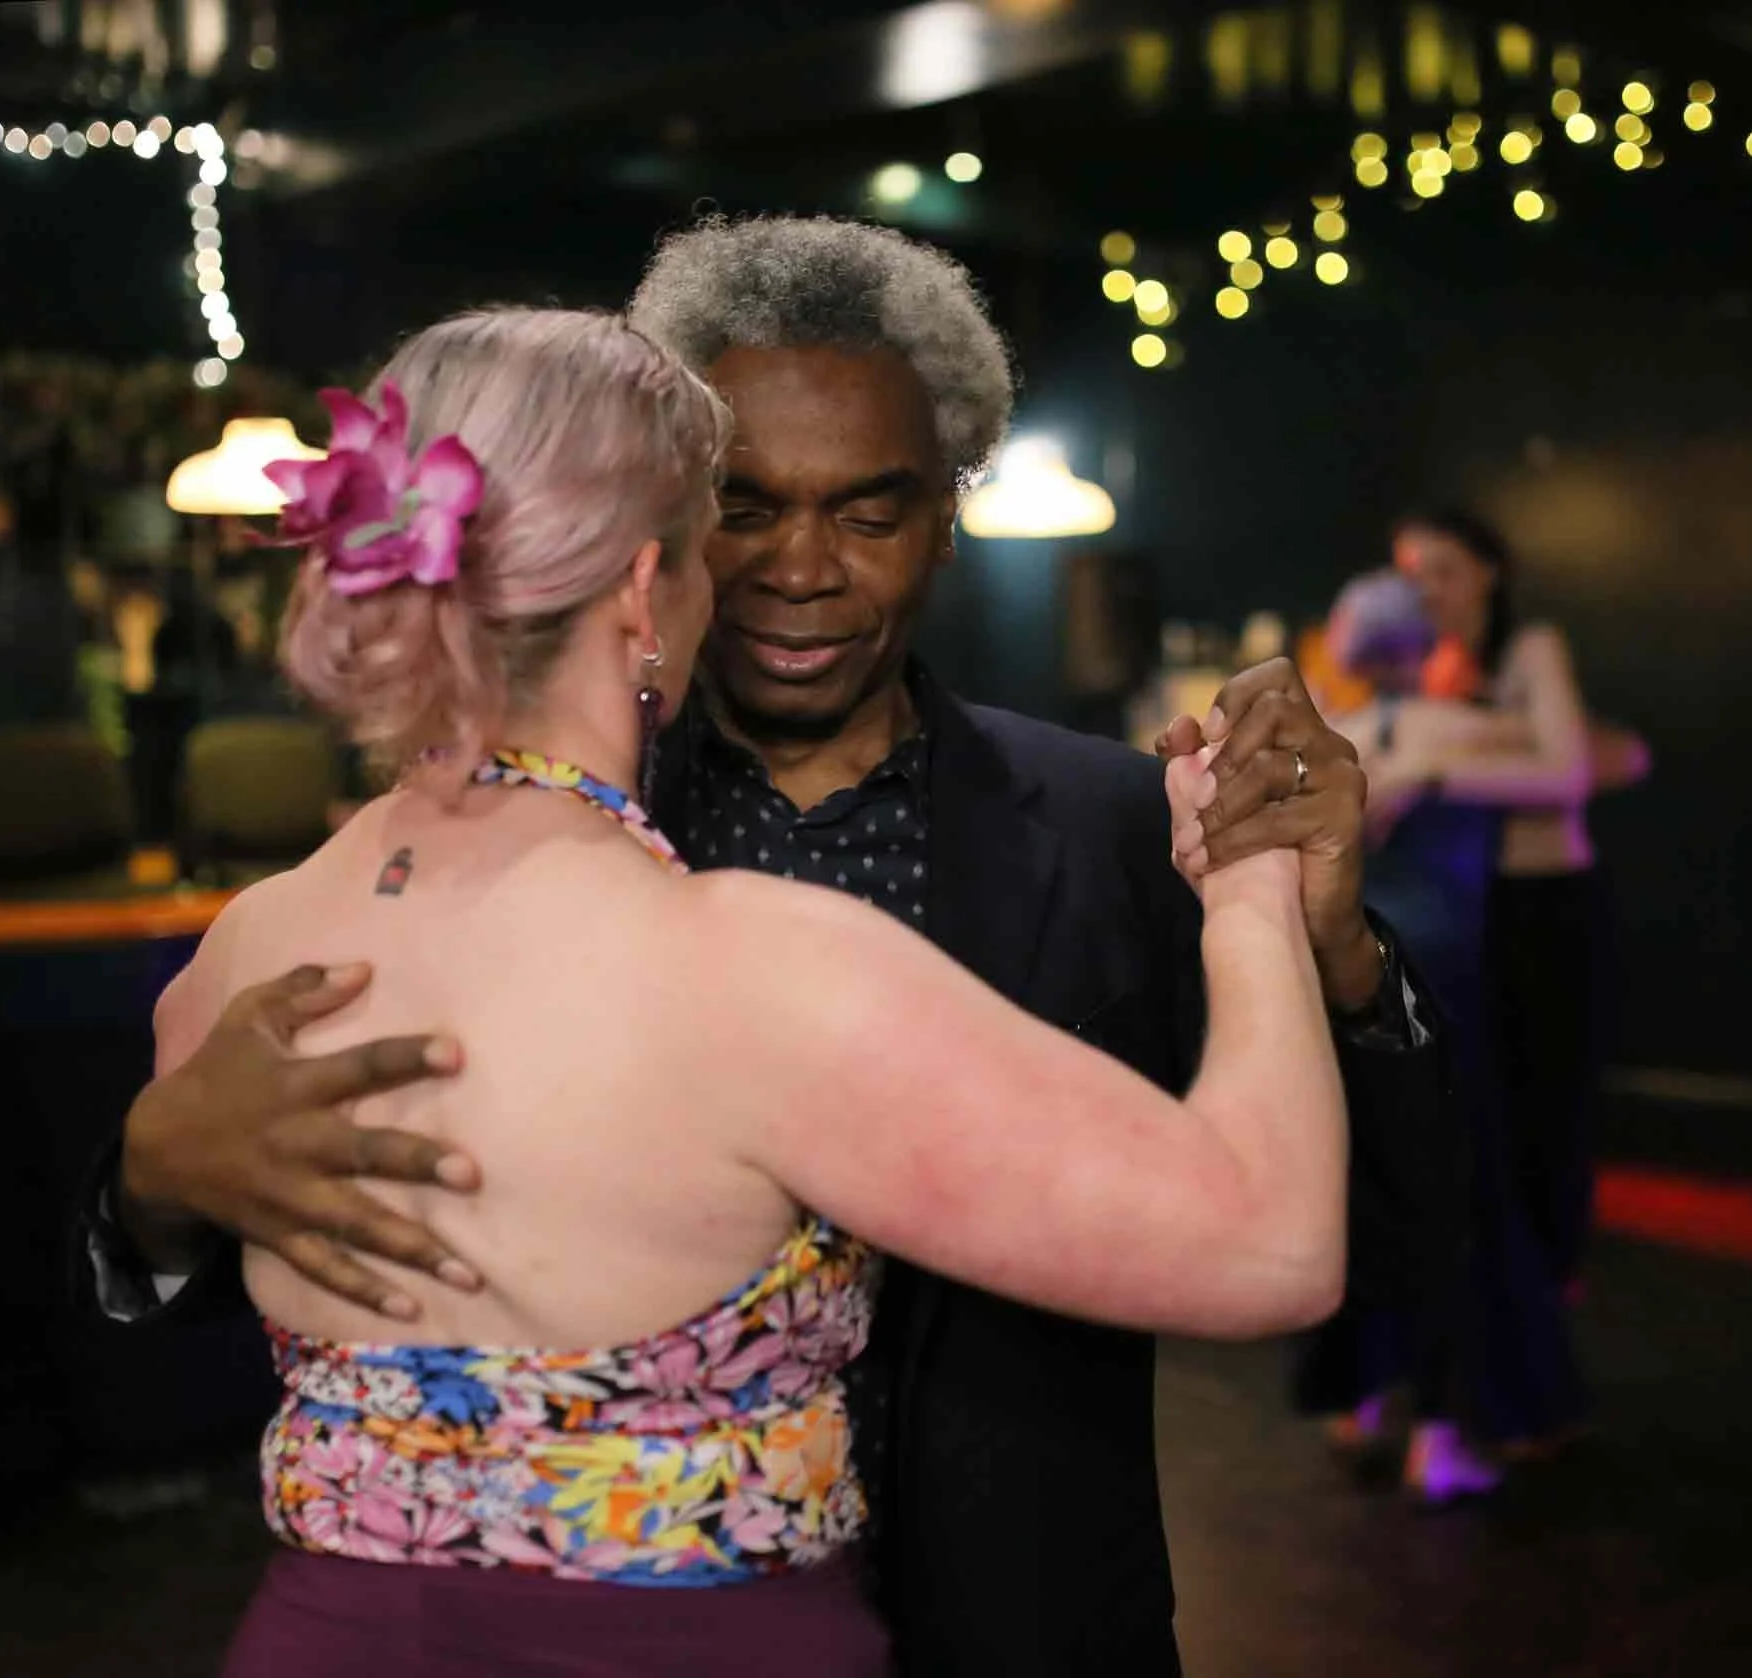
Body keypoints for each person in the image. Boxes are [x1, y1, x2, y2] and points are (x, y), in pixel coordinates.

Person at [83, 216, 1459, 1678]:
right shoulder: (749, 947)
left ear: (947, 514)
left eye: (867, 514)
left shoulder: (1106, 819)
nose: (800, 569)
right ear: (647, 565)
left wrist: (1338, 959)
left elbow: (1391, 1233)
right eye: (740, 508)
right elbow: (1270, 1231)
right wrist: (150, 1190)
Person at [1283, 569, 1585, 1502]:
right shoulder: (1471, 735)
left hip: (1352, 986)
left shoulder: (1329, 740)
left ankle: (1371, 1397)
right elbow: (1589, 763)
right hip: (1443, 993)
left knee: (1369, 1188)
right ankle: (1447, 1434)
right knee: (1458, 1202)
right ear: (1427, 647)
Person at [1392, 510, 1643, 1300]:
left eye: (1445, 569)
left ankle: (1552, 1269)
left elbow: (1568, 773)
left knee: (1551, 1093)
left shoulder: (1531, 649)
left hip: (1547, 902)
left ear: (1487, 571)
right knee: (1485, 1095)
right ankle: (1502, 1274)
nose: (1428, 589)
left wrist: (1430, 773)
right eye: (1415, 574)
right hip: (1465, 905)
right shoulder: (1422, 668)